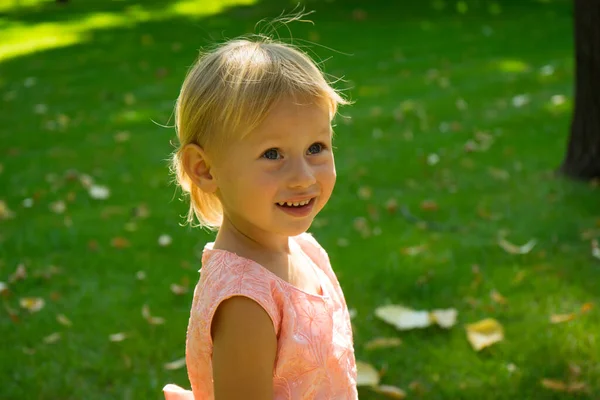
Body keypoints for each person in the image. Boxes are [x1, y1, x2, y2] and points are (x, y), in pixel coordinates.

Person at [162, 28, 357, 400]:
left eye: (316, 147)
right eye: (272, 154)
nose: (303, 177)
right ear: (204, 169)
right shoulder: (245, 302)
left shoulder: (303, 249)